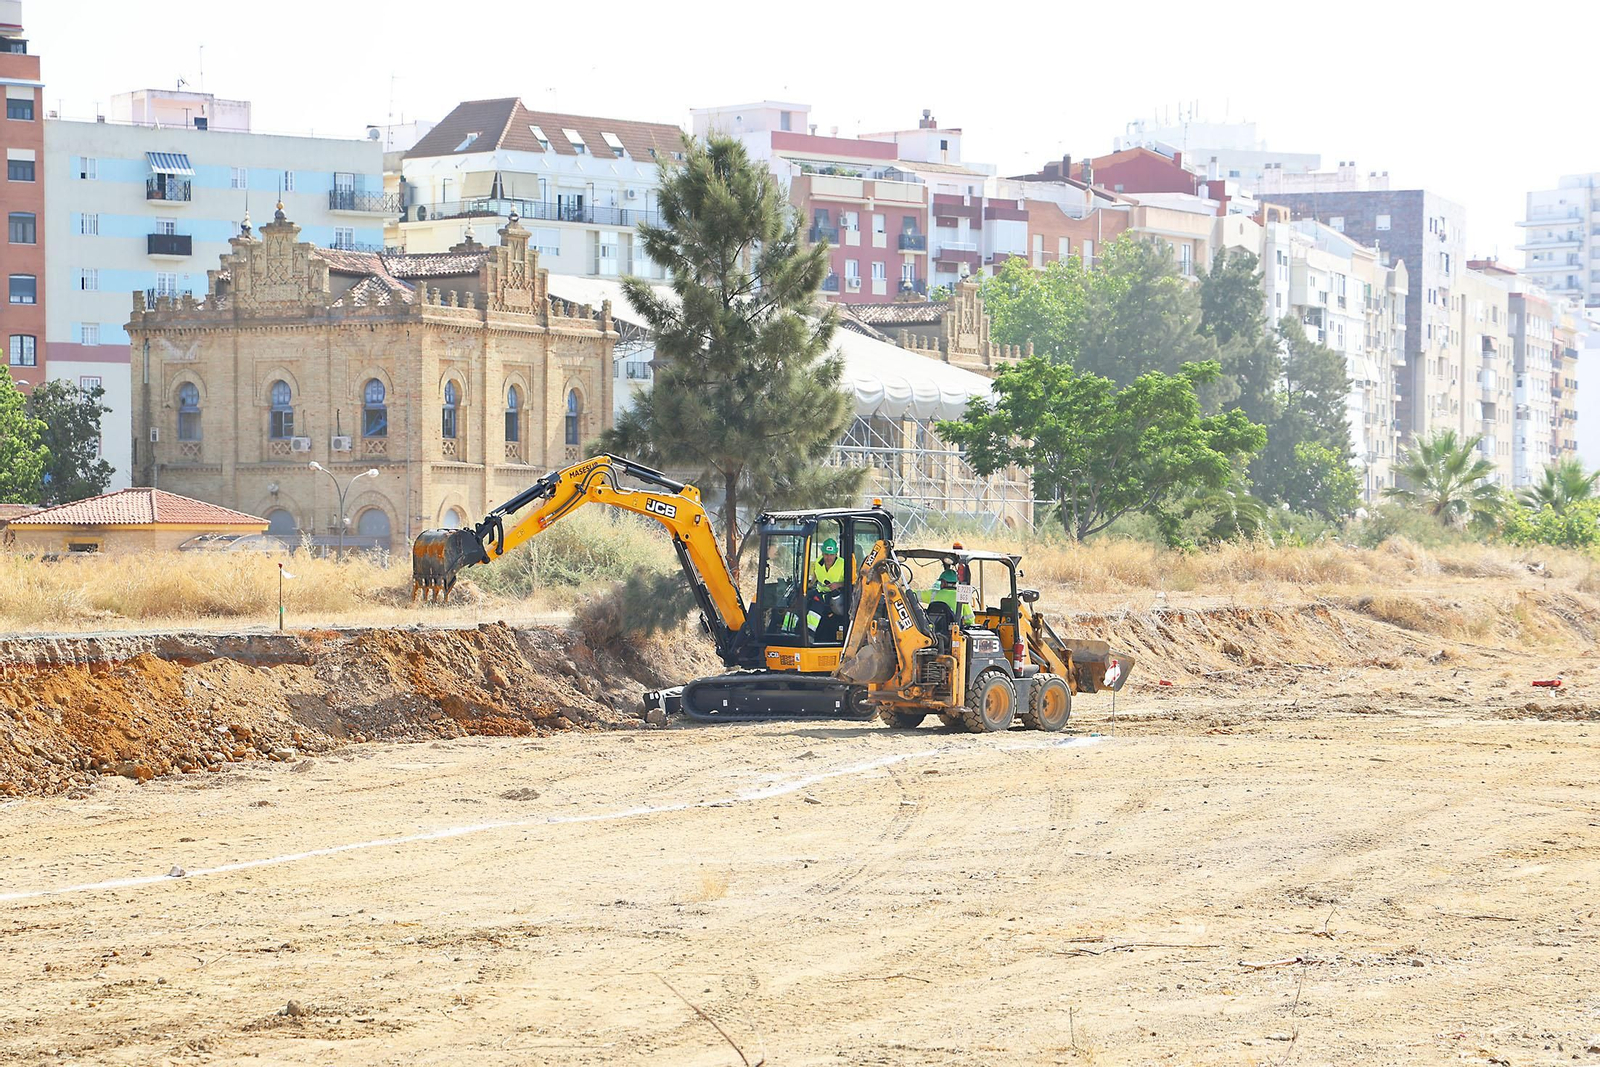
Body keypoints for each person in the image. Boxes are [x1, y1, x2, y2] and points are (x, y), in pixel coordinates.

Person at [807, 537, 847, 642]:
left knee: (816, 606)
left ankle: (809, 635)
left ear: (836, 554)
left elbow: (853, 582)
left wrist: (838, 584)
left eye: (831, 555)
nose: (828, 557)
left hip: (836, 595)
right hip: (820, 592)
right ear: (823, 553)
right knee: (800, 599)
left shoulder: (843, 564)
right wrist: (810, 583)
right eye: (826, 554)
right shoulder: (818, 562)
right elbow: (815, 575)